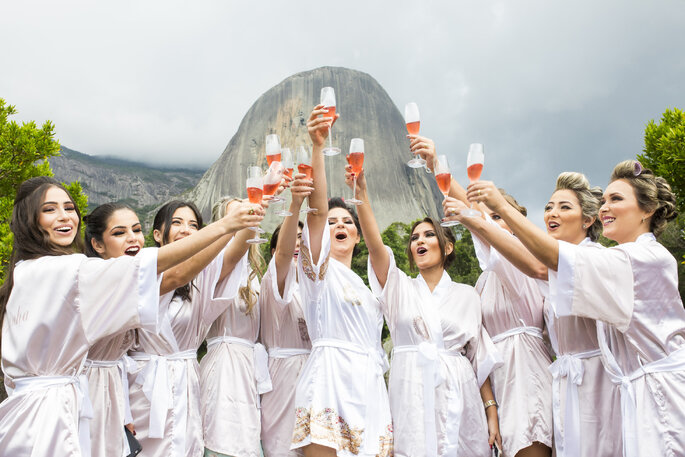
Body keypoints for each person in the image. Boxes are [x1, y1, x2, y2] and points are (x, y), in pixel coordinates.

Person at [0, 176, 263, 457]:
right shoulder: (73, 271)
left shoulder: (24, 271)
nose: (65, 216)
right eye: (49, 209)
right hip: (55, 412)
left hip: (29, 408)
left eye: (69, 207)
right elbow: (170, 272)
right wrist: (226, 225)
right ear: (30, 219)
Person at [470, 160, 685, 457]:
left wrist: (499, 211)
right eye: (604, 200)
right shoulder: (624, 256)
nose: (604, 208)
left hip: (655, 392)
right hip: (626, 391)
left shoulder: (642, 258)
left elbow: (540, 264)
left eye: (616, 199)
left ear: (647, 210)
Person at [443, 170, 622, 457]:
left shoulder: (587, 259)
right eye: (549, 206)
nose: (553, 212)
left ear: (588, 220)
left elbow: (497, 234)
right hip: (560, 382)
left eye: (564, 207)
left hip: (585, 378)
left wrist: (458, 195)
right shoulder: (492, 279)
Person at [349, 157, 502, 455]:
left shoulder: (468, 295)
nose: (419, 241)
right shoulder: (398, 287)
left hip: (460, 393)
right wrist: (362, 194)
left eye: (429, 235)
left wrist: (491, 410)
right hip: (410, 392)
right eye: (414, 238)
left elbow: (478, 358)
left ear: (447, 247)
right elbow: (375, 244)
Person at [290, 106, 392, 457]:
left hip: (369, 386)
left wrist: (361, 191)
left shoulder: (368, 288)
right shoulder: (318, 273)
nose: (340, 226)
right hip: (329, 381)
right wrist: (317, 147)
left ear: (358, 236)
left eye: (347, 222)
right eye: (333, 223)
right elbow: (316, 212)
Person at [128, 199, 263, 457]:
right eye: (177, 223)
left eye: (193, 225)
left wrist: (257, 204)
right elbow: (176, 275)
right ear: (157, 234)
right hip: (142, 389)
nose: (186, 229)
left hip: (185, 385)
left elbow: (234, 252)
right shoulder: (140, 268)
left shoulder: (202, 278)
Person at [199, 196, 268, 457]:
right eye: (237, 216)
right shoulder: (216, 266)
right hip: (225, 366)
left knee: (248, 441)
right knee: (226, 441)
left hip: (250, 367)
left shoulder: (254, 271)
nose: (245, 219)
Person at [82, 203, 147, 457]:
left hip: (111, 393)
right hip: (86, 392)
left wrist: (124, 413)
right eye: (119, 233)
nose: (132, 237)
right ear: (98, 245)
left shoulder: (131, 281)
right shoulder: (93, 281)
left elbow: (117, 362)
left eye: (137, 229)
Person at [260, 177, 313, 457]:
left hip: (315, 378)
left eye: (304, 240)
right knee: (283, 448)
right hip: (282, 379)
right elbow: (283, 254)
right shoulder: (275, 283)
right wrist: (296, 203)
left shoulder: (314, 291)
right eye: (293, 238)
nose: (297, 244)